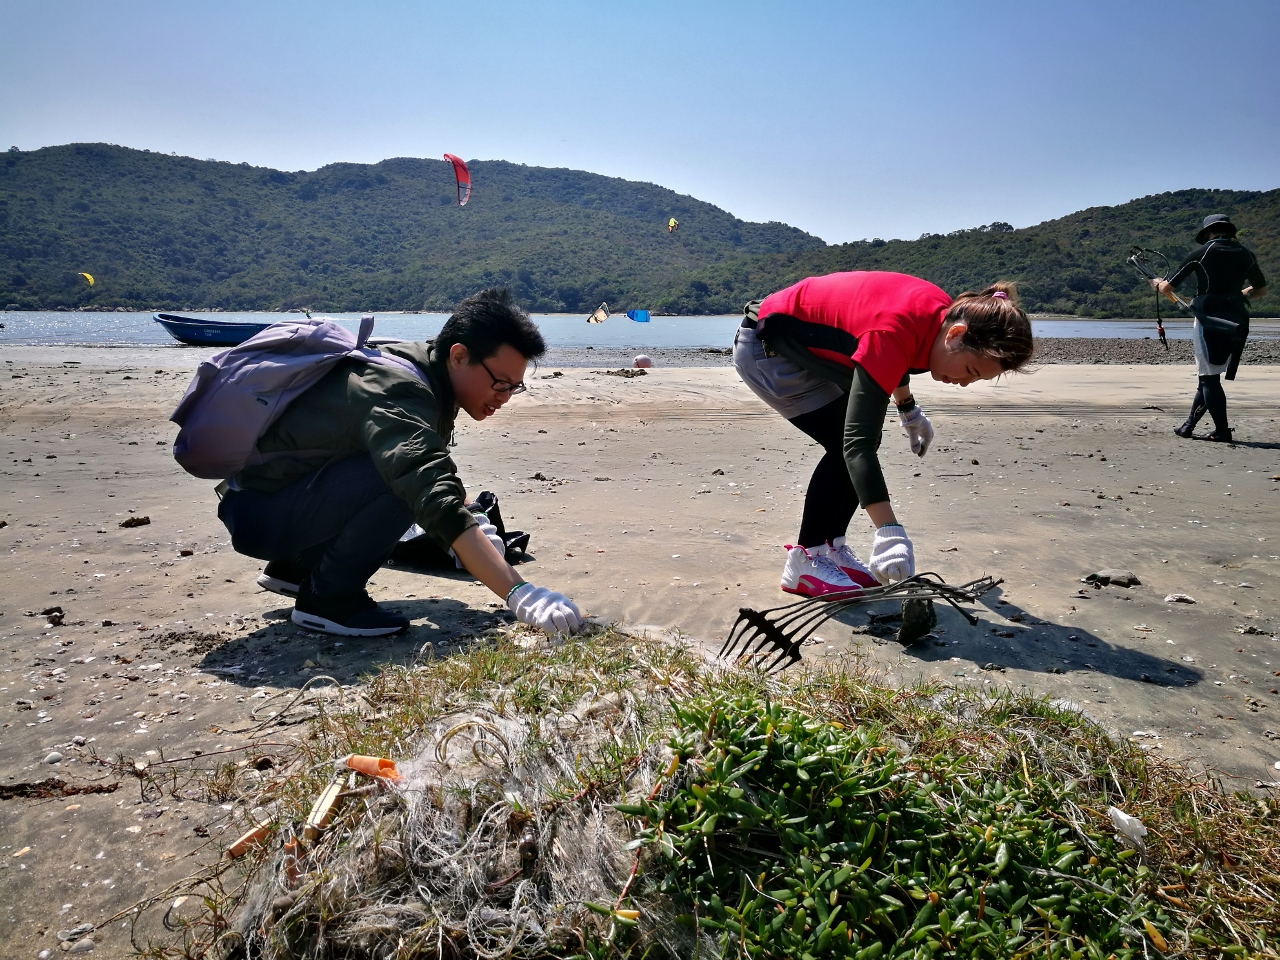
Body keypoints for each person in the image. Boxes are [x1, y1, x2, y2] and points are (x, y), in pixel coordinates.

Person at [216, 288, 584, 637]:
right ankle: (328, 599)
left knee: (403, 475)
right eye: (500, 384)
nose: (504, 398)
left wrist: (472, 515)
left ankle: (296, 567)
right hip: (261, 517)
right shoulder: (401, 389)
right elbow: (425, 486)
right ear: (459, 356)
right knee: (400, 484)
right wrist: (519, 593)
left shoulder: (426, 370)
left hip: (271, 500)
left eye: (514, 387)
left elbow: (430, 462)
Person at [733, 271, 1034, 598]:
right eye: (971, 371)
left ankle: (831, 548)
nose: (965, 383)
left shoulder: (940, 318)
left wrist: (908, 408)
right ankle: (805, 561)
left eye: (977, 379)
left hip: (810, 354)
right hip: (769, 351)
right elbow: (857, 443)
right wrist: (890, 533)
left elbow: (898, 355)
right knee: (843, 445)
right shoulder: (893, 331)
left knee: (853, 442)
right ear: (956, 334)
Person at [1152, 214, 1267, 443]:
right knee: (1209, 376)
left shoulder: (1201, 253)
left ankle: (1222, 431)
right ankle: (1188, 425)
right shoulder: (1245, 253)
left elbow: (1167, 288)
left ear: (1207, 233)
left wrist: (1155, 283)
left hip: (1207, 319)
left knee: (1209, 378)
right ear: (1230, 232)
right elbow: (1261, 289)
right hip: (1236, 321)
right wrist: (1241, 293)